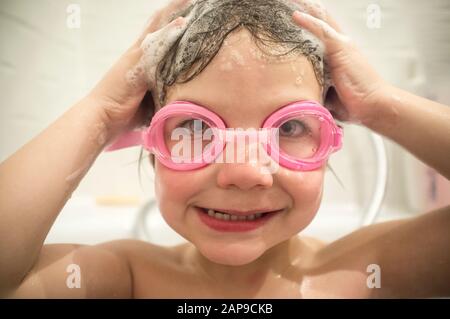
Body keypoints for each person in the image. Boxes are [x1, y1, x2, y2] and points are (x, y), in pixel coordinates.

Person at [1, 0, 449, 298]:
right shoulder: (127, 278)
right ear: (151, 141)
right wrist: (101, 111)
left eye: (289, 126)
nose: (244, 172)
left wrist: (381, 105)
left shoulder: (363, 273)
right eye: (197, 127)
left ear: (328, 139)